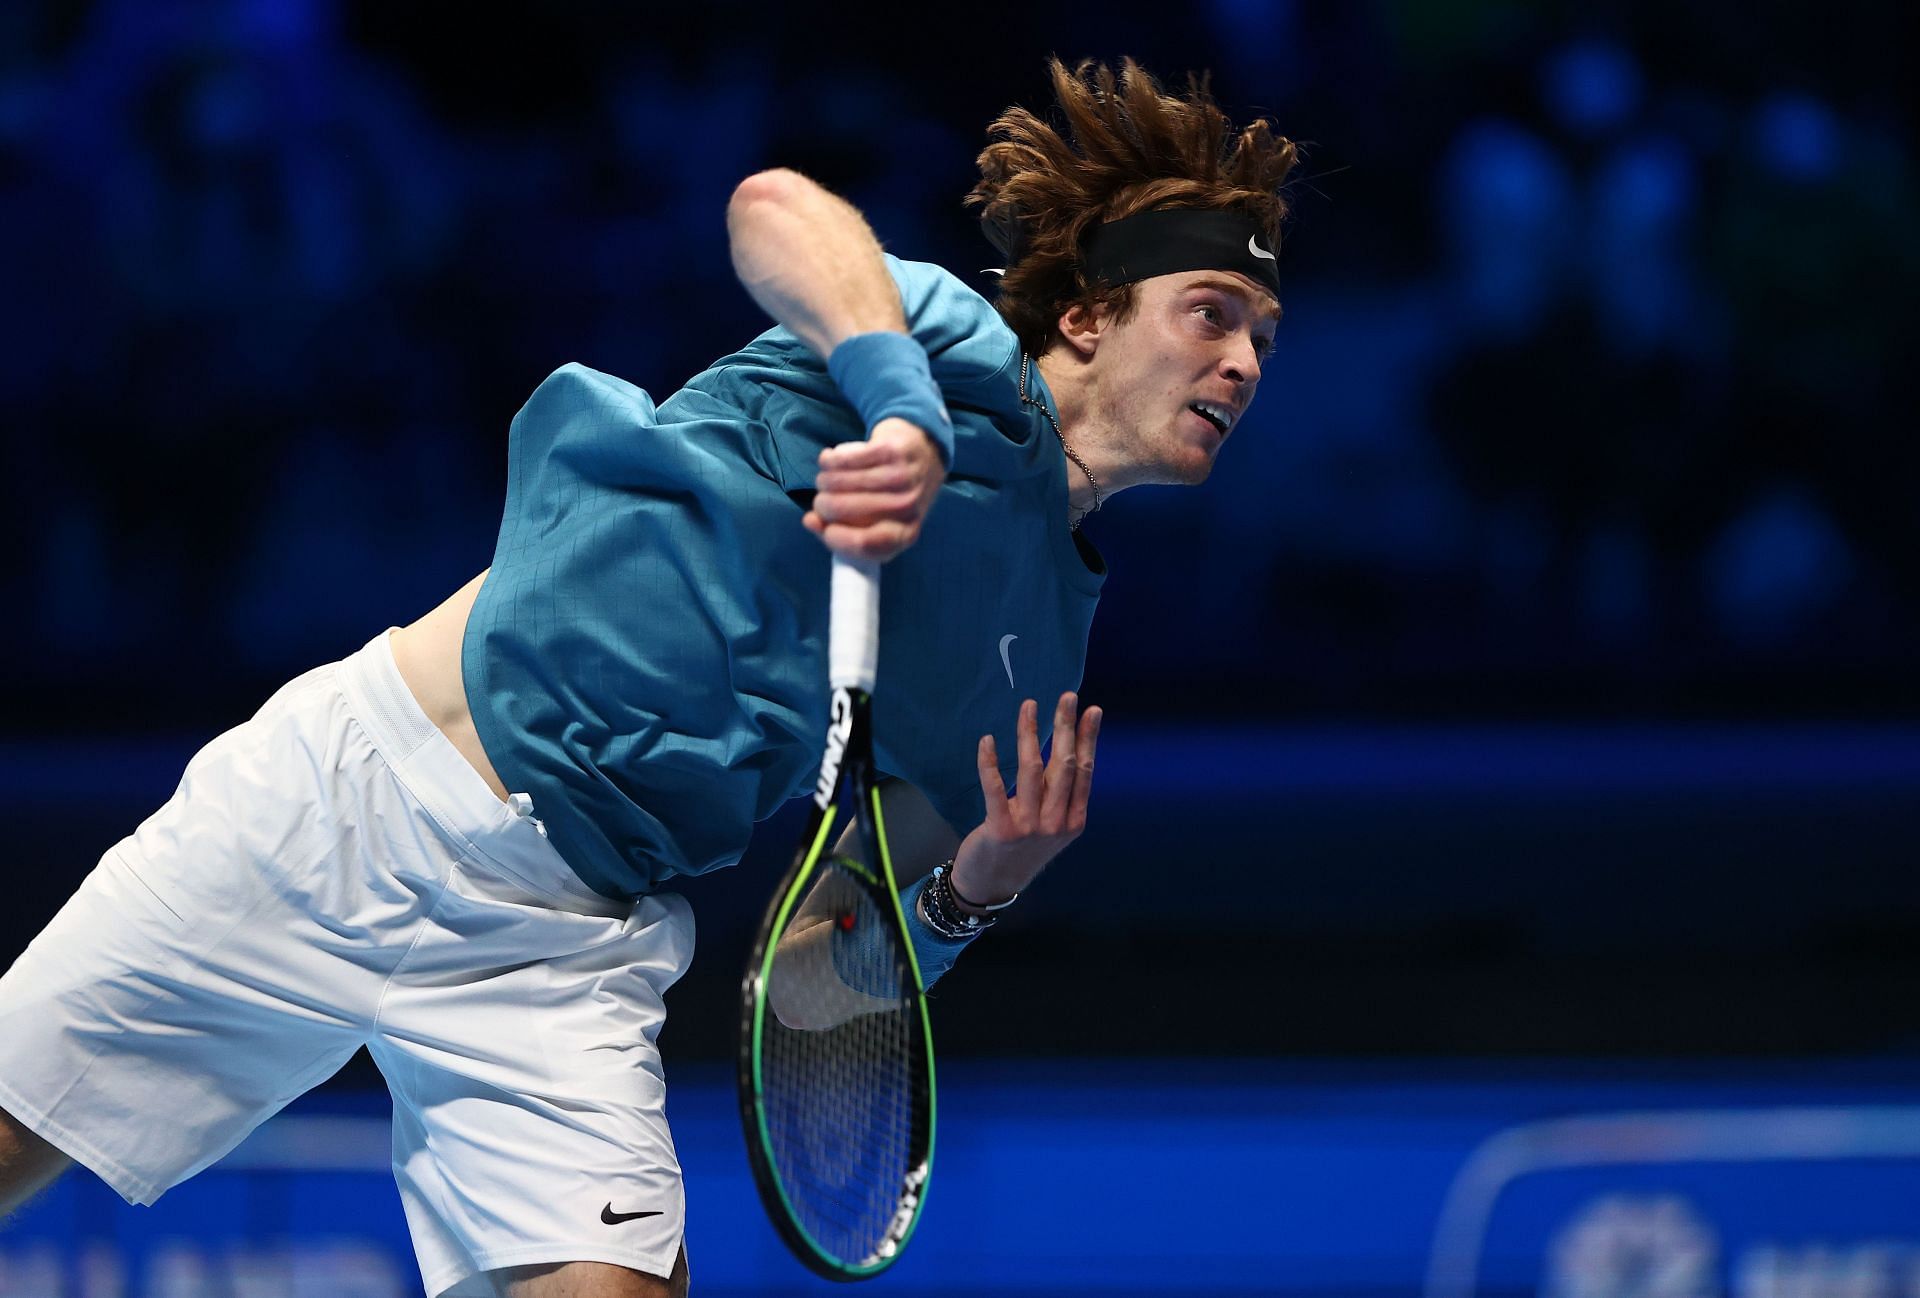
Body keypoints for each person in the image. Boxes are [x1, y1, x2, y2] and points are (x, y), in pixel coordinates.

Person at [0, 57, 1297, 1298]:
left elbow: (804, 977)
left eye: (1262, 333)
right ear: (1084, 312)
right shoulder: (946, 341)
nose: (1244, 360)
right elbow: (773, 211)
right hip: (358, 794)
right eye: (1211, 311)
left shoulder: (1036, 669)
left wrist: (969, 892)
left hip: (561, 949)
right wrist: (897, 404)